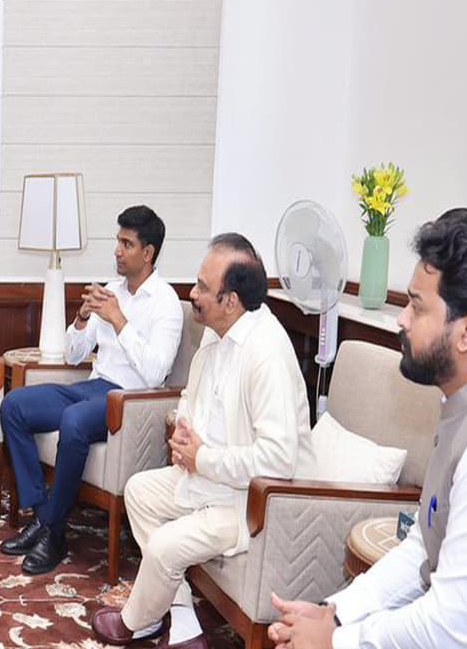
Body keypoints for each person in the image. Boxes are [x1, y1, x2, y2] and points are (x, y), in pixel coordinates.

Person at [269, 210, 467, 649]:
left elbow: (450, 627)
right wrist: (337, 613)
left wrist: (337, 641)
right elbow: (424, 550)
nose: (401, 320)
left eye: (418, 306)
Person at [90, 233, 314, 649]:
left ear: (231, 300)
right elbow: (194, 397)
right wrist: (181, 425)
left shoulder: (266, 354)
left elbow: (279, 460)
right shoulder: (216, 331)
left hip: (250, 502)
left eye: (203, 289)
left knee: (163, 546)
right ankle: (183, 621)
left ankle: (135, 621)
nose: (191, 294)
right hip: (206, 480)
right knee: (138, 491)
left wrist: (204, 457)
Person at [0, 205, 184, 574]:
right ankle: (44, 516)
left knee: (73, 420)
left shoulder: (166, 304)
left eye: (126, 243)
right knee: (14, 406)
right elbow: (73, 353)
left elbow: (154, 374)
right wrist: (82, 319)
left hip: (128, 400)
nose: (117, 250)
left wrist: (118, 320)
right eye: (117, 241)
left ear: (147, 253)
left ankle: (53, 534)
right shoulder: (112, 290)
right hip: (92, 387)